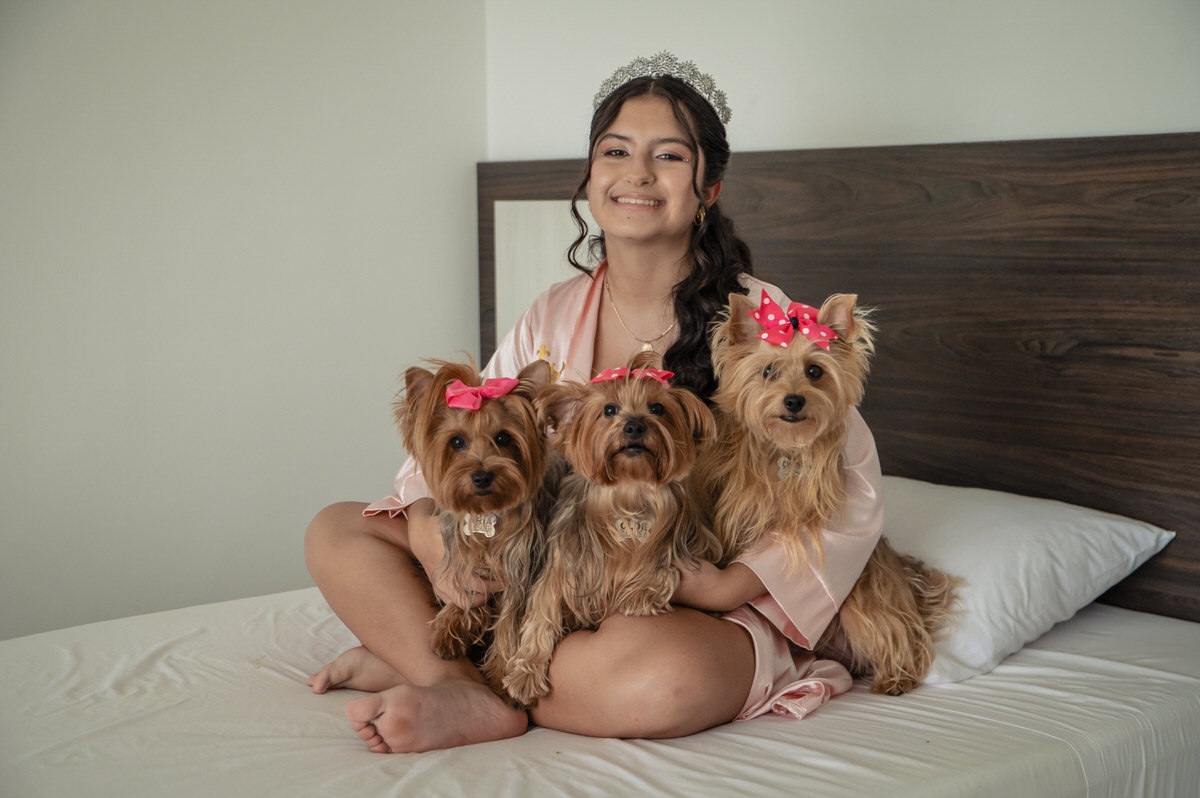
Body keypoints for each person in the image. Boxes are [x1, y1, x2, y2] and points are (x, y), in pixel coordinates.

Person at [304, 52, 883, 754]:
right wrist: (428, 523)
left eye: (668, 156)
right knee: (337, 532)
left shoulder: (766, 325)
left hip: (669, 600)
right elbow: (462, 437)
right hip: (542, 570)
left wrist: (732, 586)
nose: (637, 174)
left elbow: (844, 481)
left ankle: (433, 663)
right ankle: (453, 681)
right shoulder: (550, 315)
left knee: (659, 677)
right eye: (616, 152)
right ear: (591, 176)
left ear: (711, 187)